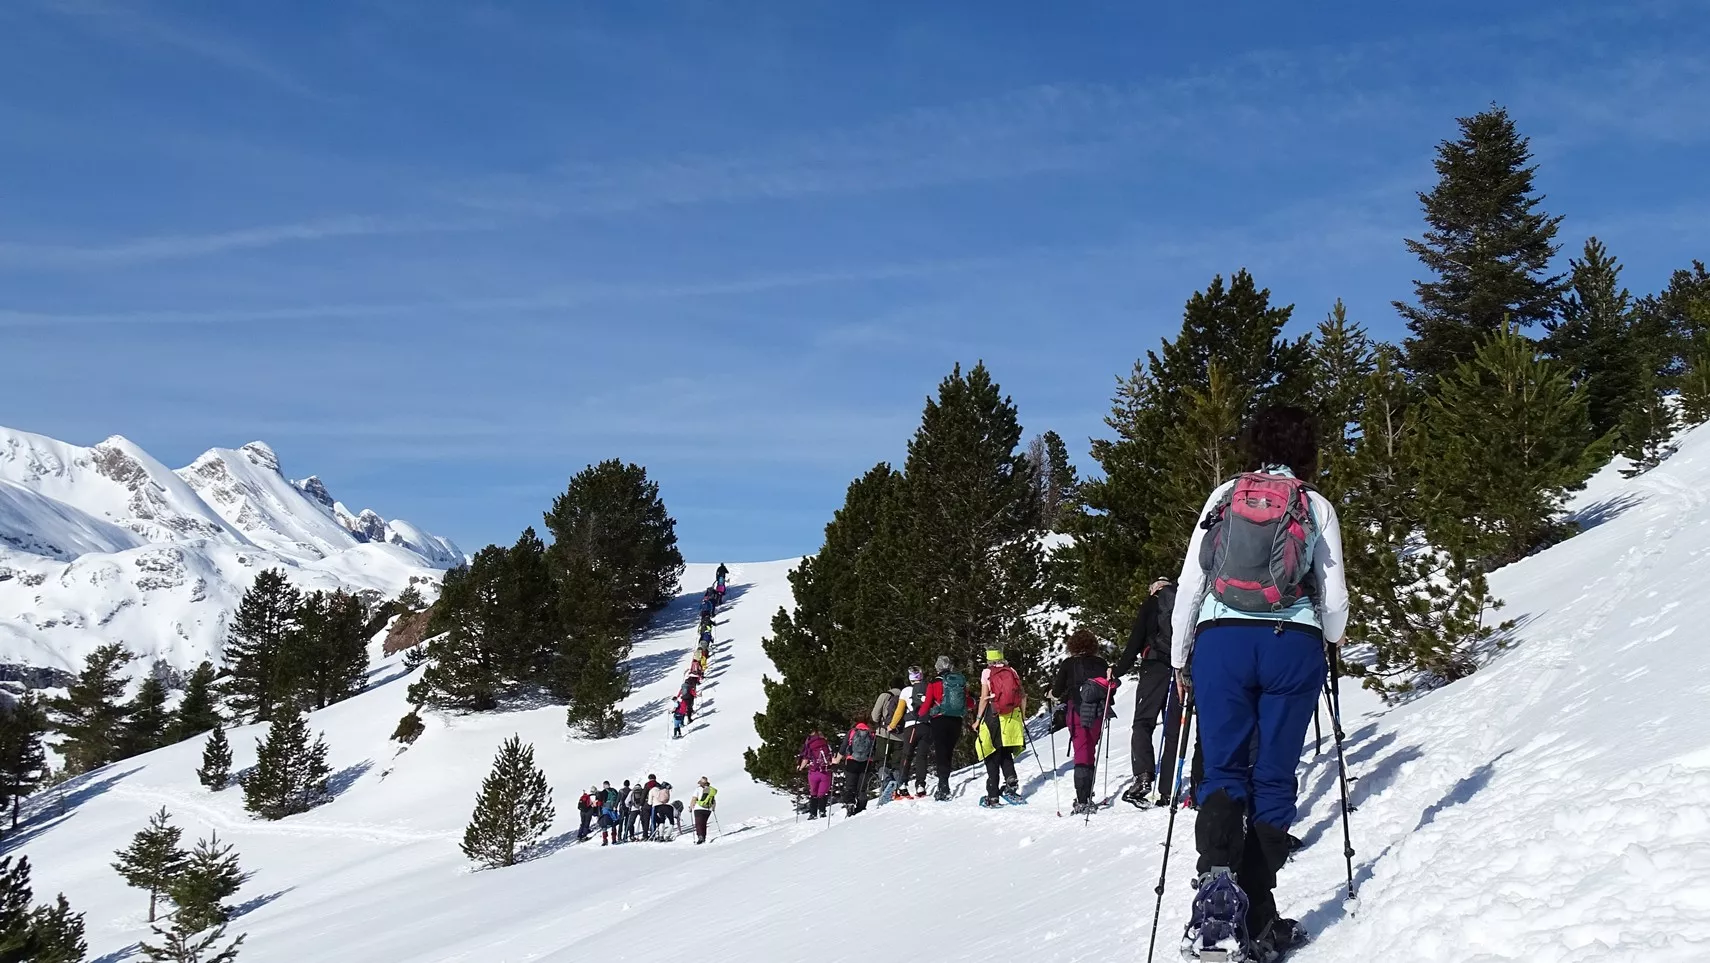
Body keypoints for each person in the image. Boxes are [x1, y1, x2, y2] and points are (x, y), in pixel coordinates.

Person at [1174, 406, 1348, 963]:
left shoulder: (1225, 495)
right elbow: (1334, 596)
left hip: (1222, 640)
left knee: (1223, 769)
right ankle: (1259, 908)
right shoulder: (1314, 504)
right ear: (1306, 451)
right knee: (1274, 775)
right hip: (1290, 644)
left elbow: (1191, 582)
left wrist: (1181, 656)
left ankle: (1216, 893)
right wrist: (1331, 639)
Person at [1114, 576, 1189, 807]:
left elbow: (1136, 640)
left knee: (1143, 723)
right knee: (1173, 729)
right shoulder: (1185, 604)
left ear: (1154, 589)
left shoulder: (1151, 605)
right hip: (1179, 670)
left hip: (1154, 668)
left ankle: (1144, 777)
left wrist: (1117, 670)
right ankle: (1167, 789)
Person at [1051, 628, 1114, 814]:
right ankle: (1087, 794)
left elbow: (1057, 691)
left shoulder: (1068, 664)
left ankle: (1082, 799)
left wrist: (1053, 694)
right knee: (1090, 751)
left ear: (1073, 646)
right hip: (1097, 711)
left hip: (1076, 710)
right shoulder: (1101, 663)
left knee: (1081, 752)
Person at [972, 649, 1027, 807]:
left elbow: (984, 698)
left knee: (991, 753)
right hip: (1011, 716)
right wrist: (1022, 715)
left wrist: (977, 720)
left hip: (993, 717)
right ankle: (1011, 781)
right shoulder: (1012, 671)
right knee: (1005, 752)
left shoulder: (987, 672)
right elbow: (1022, 695)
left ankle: (993, 796)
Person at [918, 655, 974, 801]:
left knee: (941, 752)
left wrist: (919, 713)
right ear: (950, 667)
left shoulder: (934, 684)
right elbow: (967, 702)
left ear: (937, 668)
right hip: (956, 720)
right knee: (948, 751)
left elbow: (927, 705)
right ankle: (945, 779)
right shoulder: (958, 681)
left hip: (939, 720)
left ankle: (943, 786)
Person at [889, 666, 931, 799]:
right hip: (927, 725)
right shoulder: (929, 687)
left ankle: (902, 785)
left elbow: (899, 711)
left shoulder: (906, 691)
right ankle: (921, 785)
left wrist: (892, 725)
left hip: (911, 726)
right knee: (922, 756)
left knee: (907, 755)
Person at [871, 676, 906, 791]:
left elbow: (875, 716)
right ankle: (898, 784)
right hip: (901, 735)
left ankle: (886, 781)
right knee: (897, 762)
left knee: (881, 760)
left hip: (884, 733)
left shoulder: (885, 695)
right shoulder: (906, 696)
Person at [836, 720, 878, 816]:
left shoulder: (852, 732)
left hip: (851, 762)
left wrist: (837, 760)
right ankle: (861, 808)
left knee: (850, 787)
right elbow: (874, 749)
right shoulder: (871, 734)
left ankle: (850, 805)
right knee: (862, 788)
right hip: (866, 764)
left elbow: (843, 747)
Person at [798, 728, 834, 819]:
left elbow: (806, 758)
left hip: (813, 772)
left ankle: (813, 813)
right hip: (825, 772)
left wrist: (801, 767)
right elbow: (831, 758)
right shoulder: (826, 744)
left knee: (813, 793)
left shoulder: (810, 745)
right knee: (822, 793)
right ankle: (822, 811)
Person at [692, 777, 718, 844]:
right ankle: (703, 837)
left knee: (698, 824)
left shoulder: (698, 789)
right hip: (708, 809)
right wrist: (713, 808)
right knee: (703, 823)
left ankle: (700, 837)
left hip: (699, 808)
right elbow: (713, 800)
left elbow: (694, 799)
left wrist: (691, 807)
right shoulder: (710, 790)